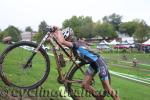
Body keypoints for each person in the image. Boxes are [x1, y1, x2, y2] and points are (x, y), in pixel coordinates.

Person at [51, 26, 120, 100]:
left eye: (66, 38)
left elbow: (62, 42)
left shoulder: (75, 44)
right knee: (85, 85)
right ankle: (99, 98)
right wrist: (53, 34)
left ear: (68, 38)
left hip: (99, 62)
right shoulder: (74, 46)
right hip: (93, 64)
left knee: (107, 88)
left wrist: (58, 30)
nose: (65, 40)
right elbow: (59, 42)